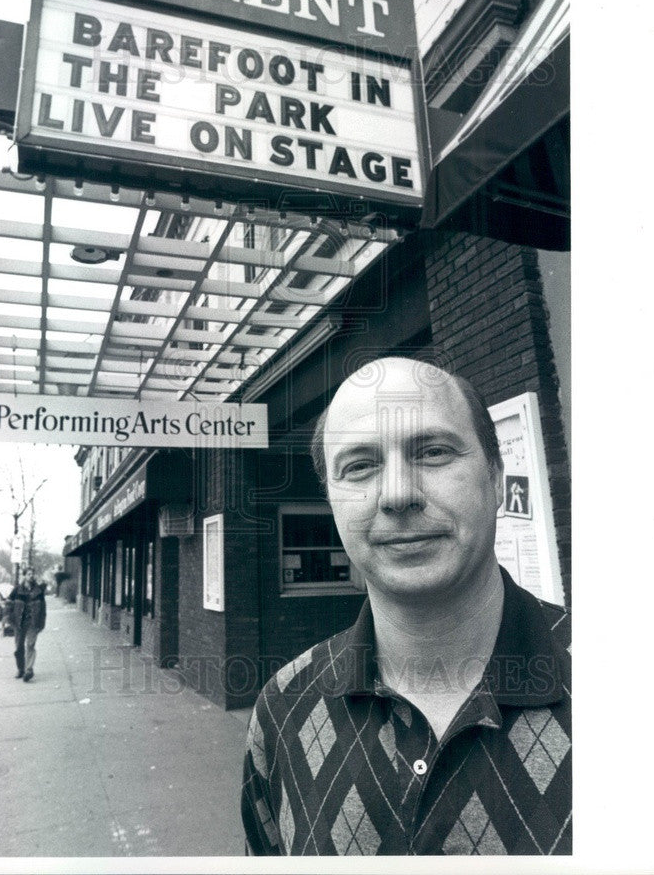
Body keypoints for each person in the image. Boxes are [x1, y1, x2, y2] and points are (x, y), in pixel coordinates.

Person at [242, 357, 571, 856]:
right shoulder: (281, 708)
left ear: (497, 478)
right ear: (332, 501)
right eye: (359, 466)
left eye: (434, 452)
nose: (397, 494)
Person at [7, 565, 47, 682]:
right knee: (19, 647)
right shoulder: (17, 590)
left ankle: (29, 670)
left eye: (32, 574)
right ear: (24, 576)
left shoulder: (38, 590)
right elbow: (9, 604)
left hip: (33, 623)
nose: (31, 576)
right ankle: (20, 669)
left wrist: (42, 623)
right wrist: (9, 619)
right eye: (29, 574)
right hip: (18, 623)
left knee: (30, 645)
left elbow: (43, 609)